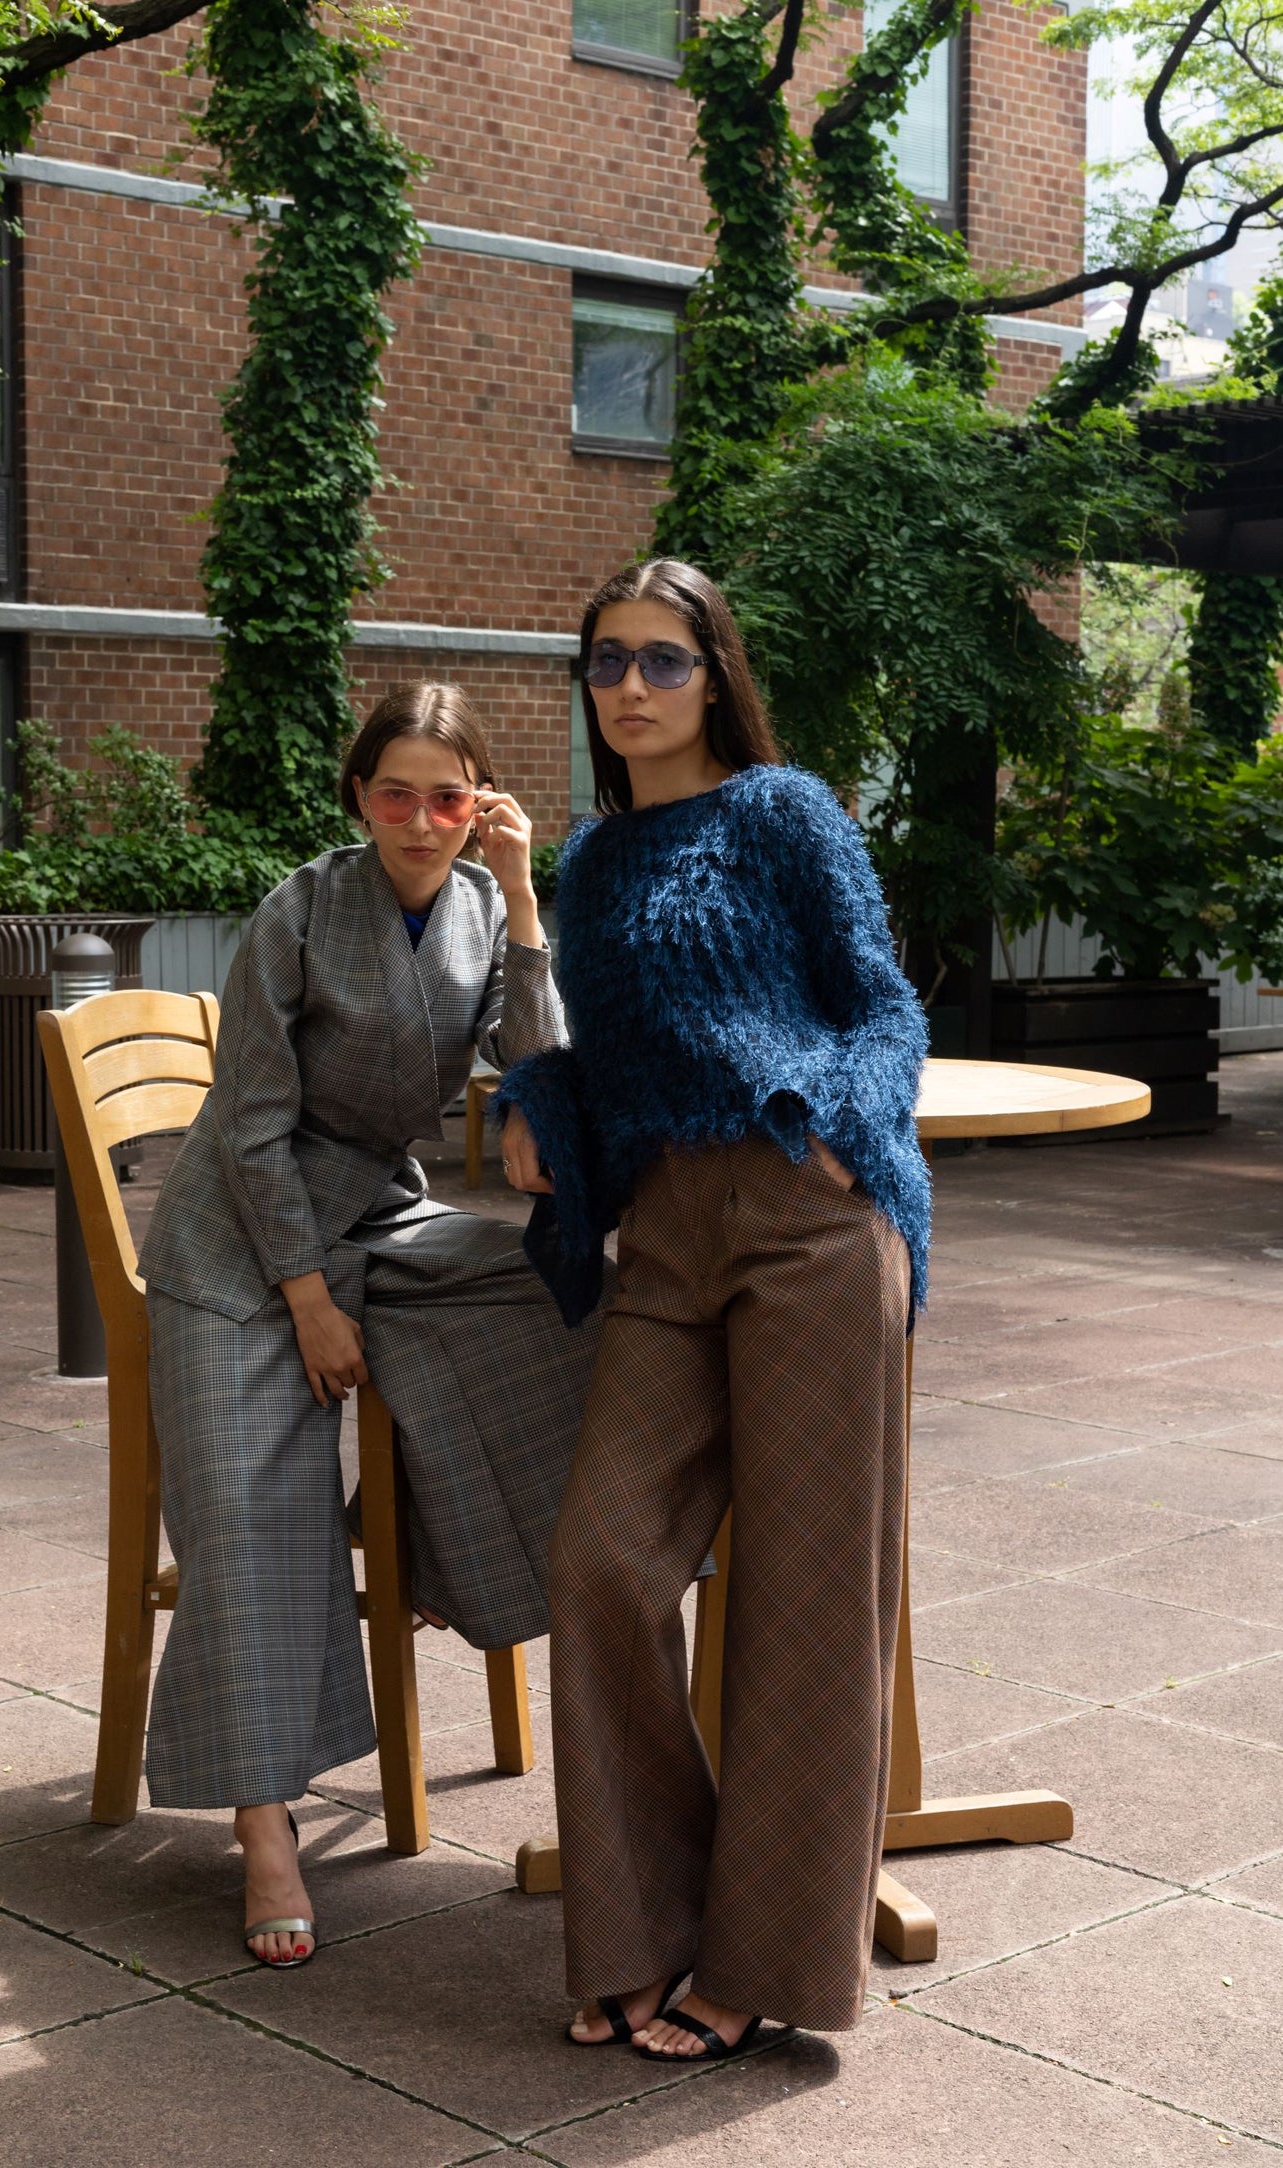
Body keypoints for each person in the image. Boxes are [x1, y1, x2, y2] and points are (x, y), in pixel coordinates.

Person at [495, 560, 930, 2060]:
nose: (628, 686)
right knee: (602, 1563)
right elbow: (608, 1062)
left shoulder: (785, 812)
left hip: (809, 1218)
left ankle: (766, 1965)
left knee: (809, 1604)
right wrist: (536, 1100)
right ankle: (641, 1927)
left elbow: (885, 1004)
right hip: (671, 1235)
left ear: (712, 675)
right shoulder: (594, 861)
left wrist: (833, 1118)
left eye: (662, 661)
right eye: (606, 659)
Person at [139, 682, 599, 1969]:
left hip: (380, 1214)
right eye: (393, 790)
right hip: (239, 1239)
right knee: (244, 1500)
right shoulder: (298, 908)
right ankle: (263, 1825)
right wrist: (305, 1299)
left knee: (566, 1298)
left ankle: (427, 1542)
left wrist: (520, 900)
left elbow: (543, 1070)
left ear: (479, 802)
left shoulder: (473, 908)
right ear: (358, 795)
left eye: (447, 795)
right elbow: (245, 1123)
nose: (419, 817)